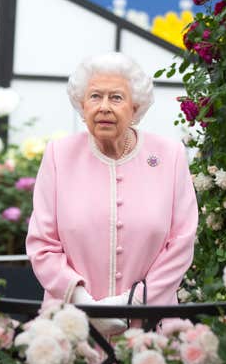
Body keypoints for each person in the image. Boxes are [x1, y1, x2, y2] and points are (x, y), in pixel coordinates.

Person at [26, 52, 198, 336]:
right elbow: (42, 244)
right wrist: (86, 306)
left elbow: (181, 243)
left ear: (136, 106)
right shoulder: (58, 155)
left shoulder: (170, 156)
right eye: (95, 97)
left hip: (151, 326)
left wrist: (130, 303)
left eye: (116, 98)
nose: (104, 107)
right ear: (82, 106)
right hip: (72, 325)